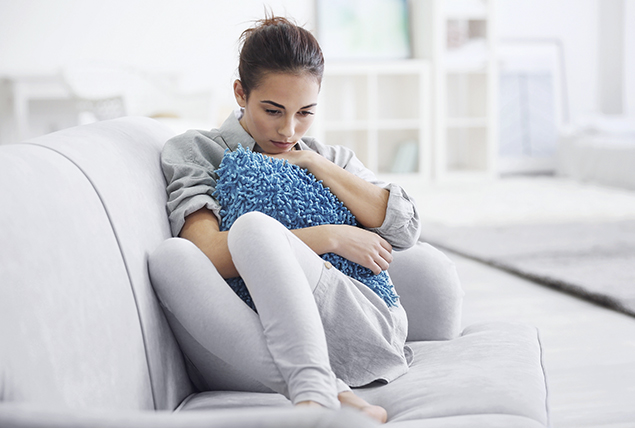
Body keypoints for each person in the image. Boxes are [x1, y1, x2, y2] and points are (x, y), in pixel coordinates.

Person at [149, 15, 463, 424]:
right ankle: (325, 391)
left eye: (306, 112)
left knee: (253, 228)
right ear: (240, 93)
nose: (288, 129)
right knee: (170, 257)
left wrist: (314, 162)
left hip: (350, 328)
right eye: (273, 110)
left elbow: (405, 230)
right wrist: (330, 236)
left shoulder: (330, 158)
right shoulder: (197, 151)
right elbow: (206, 251)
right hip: (246, 338)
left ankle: (316, 391)